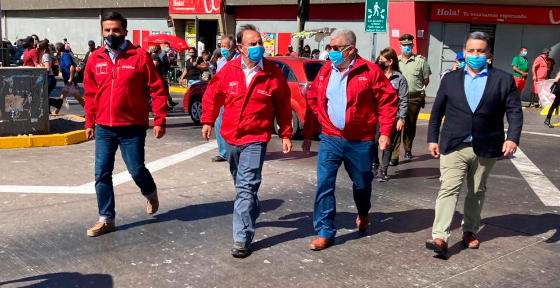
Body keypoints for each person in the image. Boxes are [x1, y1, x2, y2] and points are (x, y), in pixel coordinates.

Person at [425, 31, 523, 256]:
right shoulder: (450, 78)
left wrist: (512, 138)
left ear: (489, 53)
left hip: (487, 145)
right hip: (453, 144)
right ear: (464, 52)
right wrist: (432, 138)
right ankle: (440, 236)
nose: (475, 55)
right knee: (448, 189)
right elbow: (437, 111)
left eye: (480, 51)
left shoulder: (503, 79)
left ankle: (469, 230)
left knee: (477, 191)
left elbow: (514, 112)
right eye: (471, 51)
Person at [201, 24, 293, 258]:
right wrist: (208, 121)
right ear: (240, 48)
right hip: (230, 136)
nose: (259, 47)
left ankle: (242, 238)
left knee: (245, 187)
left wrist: (285, 133)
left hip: (256, 138)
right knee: (242, 185)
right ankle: (251, 207)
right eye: (253, 44)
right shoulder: (228, 70)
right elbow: (213, 95)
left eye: (260, 43)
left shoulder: (272, 73)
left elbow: (283, 105)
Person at [302, 29, 398, 251]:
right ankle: (325, 231)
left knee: (362, 184)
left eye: (336, 48)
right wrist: (308, 135)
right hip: (330, 138)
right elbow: (313, 101)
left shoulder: (370, 72)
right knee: (324, 183)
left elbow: (387, 101)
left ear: (350, 50)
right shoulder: (325, 71)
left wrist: (384, 132)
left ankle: (363, 211)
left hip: (360, 141)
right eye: (330, 48)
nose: (331, 52)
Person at [83, 11, 168, 237]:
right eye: (107, 30)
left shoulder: (139, 56)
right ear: (102, 32)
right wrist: (89, 121)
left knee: (136, 169)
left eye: (116, 30)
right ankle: (106, 218)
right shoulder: (94, 58)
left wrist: (159, 119)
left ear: (125, 32)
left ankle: (149, 191)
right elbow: (90, 93)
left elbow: (157, 89)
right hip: (103, 127)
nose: (111, 34)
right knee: (101, 173)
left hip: (132, 127)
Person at [390, 33, 431, 166]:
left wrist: (417, 90)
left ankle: (408, 149)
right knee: (397, 125)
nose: (406, 47)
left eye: (408, 45)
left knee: (410, 125)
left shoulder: (421, 61)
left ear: (412, 45)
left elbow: (426, 80)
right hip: (397, 97)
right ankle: (394, 156)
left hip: (414, 98)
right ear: (400, 46)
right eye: (404, 45)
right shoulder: (395, 61)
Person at [373, 47, 409, 182]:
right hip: (376, 115)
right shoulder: (376, 75)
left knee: (387, 143)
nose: (379, 62)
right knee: (373, 142)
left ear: (390, 61)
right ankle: (374, 164)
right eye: (379, 59)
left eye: (382, 60)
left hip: (392, 116)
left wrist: (401, 118)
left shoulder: (399, 79)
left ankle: (383, 169)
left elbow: (404, 100)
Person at [211, 35, 241, 163]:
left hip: (236, 98)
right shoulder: (221, 62)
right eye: (221, 46)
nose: (223, 49)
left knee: (237, 125)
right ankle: (223, 152)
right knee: (219, 124)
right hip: (223, 98)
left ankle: (239, 151)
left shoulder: (240, 60)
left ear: (233, 47)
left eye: (225, 46)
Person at [55, 42, 86, 109]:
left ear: (57, 49)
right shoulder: (63, 55)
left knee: (63, 96)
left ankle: (90, 112)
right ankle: (89, 112)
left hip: (70, 82)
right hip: (69, 81)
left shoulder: (65, 56)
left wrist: (70, 79)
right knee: (75, 97)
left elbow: (71, 67)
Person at [37, 40, 64, 114]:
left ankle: (57, 103)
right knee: (45, 95)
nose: (37, 49)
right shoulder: (45, 55)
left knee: (42, 97)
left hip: (49, 79)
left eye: (39, 47)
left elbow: (47, 68)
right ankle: (47, 112)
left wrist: (38, 66)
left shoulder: (45, 55)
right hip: (48, 78)